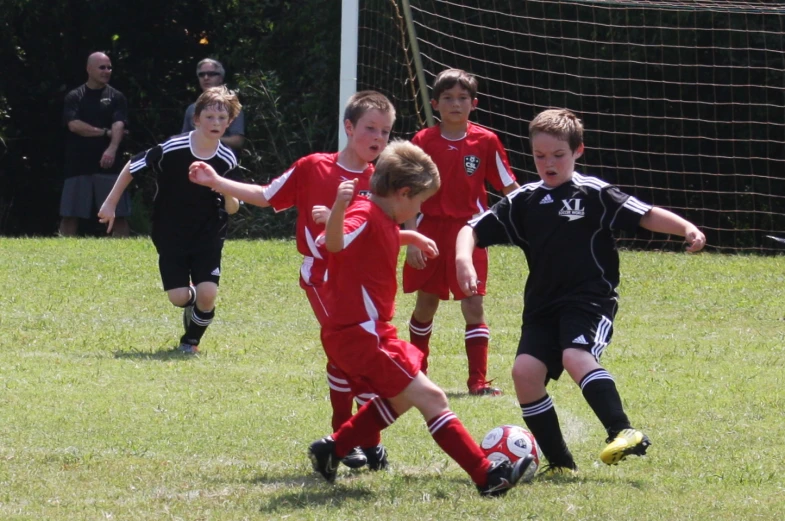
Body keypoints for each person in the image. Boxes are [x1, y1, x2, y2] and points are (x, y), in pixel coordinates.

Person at [455, 108, 707, 474]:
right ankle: (560, 464)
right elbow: (472, 228)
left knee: (575, 355)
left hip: (590, 300)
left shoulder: (593, 193)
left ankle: (623, 431)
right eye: (540, 156)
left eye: (558, 155)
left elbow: (645, 214)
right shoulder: (525, 200)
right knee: (524, 373)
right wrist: (464, 259)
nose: (548, 163)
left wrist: (687, 229)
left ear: (578, 152)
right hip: (542, 307)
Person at [307, 139, 537, 496]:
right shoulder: (362, 213)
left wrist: (409, 234)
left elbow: (377, 237)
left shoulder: (379, 215)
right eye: (419, 202)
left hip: (370, 332)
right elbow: (332, 243)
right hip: (360, 335)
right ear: (402, 193)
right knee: (433, 399)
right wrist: (338, 208)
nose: (419, 208)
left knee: (401, 399)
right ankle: (487, 476)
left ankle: (331, 448)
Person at [187, 90, 396, 469]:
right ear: (349, 128)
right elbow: (267, 195)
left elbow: (387, 226)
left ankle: (354, 439)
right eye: (370, 128)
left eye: (385, 130)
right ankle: (356, 440)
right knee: (358, 356)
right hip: (324, 278)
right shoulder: (315, 166)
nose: (378, 137)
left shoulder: (382, 180)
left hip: (366, 283)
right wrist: (217, 181)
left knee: (352, 357)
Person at [98, 86, 241, 354]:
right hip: (170, 230)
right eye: (209, 117)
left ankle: (190, 343)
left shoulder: (227, 159)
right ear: (196, 119)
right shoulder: (173, 147)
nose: (216, 123)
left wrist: (225, 191)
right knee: (179, 298)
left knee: (209, 293)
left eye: (222, 119)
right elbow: (132, 166)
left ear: (230, 123)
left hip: (208, 232)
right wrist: (110, 202)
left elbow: (233, 207)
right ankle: (192, 303)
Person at [402, 68, 519, 396]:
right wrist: (411, 239)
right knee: (426, 303)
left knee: (473, 303)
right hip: (429, 232)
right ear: (436, 104)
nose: (456, 104)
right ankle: (417, 375)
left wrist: (533, 215)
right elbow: (409, 194)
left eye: (462, 98)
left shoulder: (486, 141)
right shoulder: (423, 142)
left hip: (471, 233)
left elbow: (508, 185)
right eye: (449, 98)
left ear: (474, 103)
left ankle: (477, 382)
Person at [60, 52, 130, 237]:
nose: (107, 71)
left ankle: (123, 252)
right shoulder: (74, 96)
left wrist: (112, 149)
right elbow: (74, 125)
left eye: (109, 67)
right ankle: (62, 252)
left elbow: (119, 125)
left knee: (119, 215)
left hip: (109, 165)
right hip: (78, 164)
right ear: (89, 69)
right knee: (70, 215)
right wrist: (104, 132)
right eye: (102, 67)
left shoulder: (116, 97)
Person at [182, 58, 245, 151]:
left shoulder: (232, 105)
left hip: (222, 161)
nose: (206, 78)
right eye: (201, 74)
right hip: (195, 161)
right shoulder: (192, 108)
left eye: (211, 74)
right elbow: (184, 139)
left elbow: (238, 141)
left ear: (220, 78)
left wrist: (208, 140)